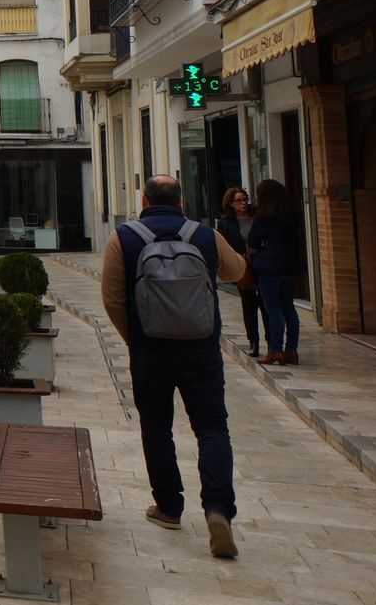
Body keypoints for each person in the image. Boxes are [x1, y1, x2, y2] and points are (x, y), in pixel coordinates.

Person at [100, 175, 246, 559]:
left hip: (151, 352)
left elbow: (113, 299)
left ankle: (168, 507)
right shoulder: (204, 235)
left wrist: (135, 338)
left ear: (144, 200)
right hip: (201, 350)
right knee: (213, 428)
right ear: (181, 203)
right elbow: (235, 272)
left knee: (156, 428)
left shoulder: (124, 238)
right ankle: (218, 510)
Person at [249, 178, 301, 366]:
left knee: (273, 310)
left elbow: (253, 240)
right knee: (289, 308)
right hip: (289, 266)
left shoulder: (265, 215)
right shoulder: (291, 212)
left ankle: (275, 350)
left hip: (269, 266)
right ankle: (292, 349)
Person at [216, 186, 267, 358]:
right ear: (230, 203)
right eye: (239, 200)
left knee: (266, 303)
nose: (243, 203)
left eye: (245, 199)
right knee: (249, 304)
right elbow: (224, 244)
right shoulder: (225, 222)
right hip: (242, 265)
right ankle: (254, 342)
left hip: (261, 262)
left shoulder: (257, 216)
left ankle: (272, 341)